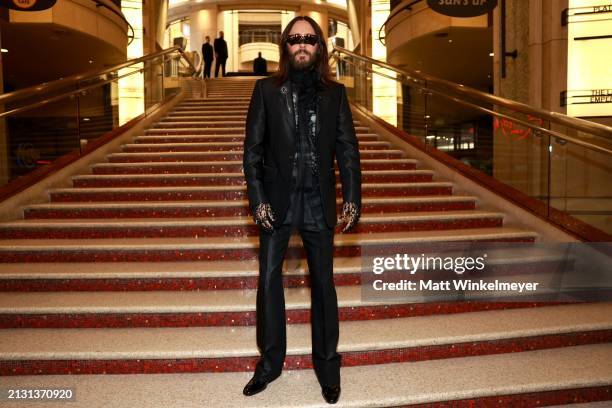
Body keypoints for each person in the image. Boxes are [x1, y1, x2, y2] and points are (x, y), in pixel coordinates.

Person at [242, 15, 361, 405]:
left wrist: (353, 198)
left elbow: (347, 151)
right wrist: (257, 199)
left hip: (317, 201)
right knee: (268, 280)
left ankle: (327, 367)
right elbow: (253, 152)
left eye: (309, 39)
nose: (302, 45)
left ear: (319, 47)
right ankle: (270, 364)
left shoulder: (336, 94)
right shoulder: (265, 91)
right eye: (295, 39)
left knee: (323, 285)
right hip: (276, 201)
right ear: (285, 47)